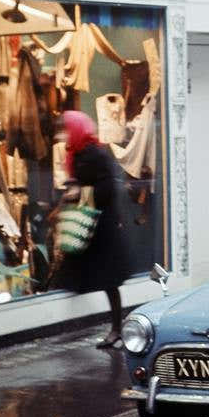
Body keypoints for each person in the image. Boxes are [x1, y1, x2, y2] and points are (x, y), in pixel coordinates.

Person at [52, 111, 131, 349]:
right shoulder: (74, 154)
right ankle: (113, 328)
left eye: (65, 129)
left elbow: (107, 188)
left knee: (109, 281)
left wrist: (81, 192)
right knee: (91, 273)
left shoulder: (96, 153)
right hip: (86, 224)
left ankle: (116, 329)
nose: (62, 135)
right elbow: (80, 181)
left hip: (101, 226)